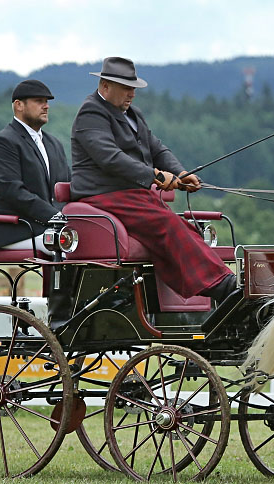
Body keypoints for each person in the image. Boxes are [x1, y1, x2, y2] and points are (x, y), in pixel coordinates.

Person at [70, 56, 237, 302]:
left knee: (185, 227)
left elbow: (157, 149)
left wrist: (180, 173)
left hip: (133, 196)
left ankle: (222, 284)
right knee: (166, 223)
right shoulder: (91, 113)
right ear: (105, 86)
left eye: (133, 88)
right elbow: (110, 158)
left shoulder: (132, 114)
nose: (132, 94)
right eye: (126, 88)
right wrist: (154, 175)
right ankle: (223, 287)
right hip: (103, 196)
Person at [0, 79, 70, 252]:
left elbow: (67, 188)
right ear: (19, 105)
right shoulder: (4, 142)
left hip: (48, 229)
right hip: (13, 230)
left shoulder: (54, 144)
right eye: (39, 101)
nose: (46, 106)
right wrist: (56, 216)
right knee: (68, 249)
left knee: (93, 243)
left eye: (46, 102)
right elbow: (13, 191)